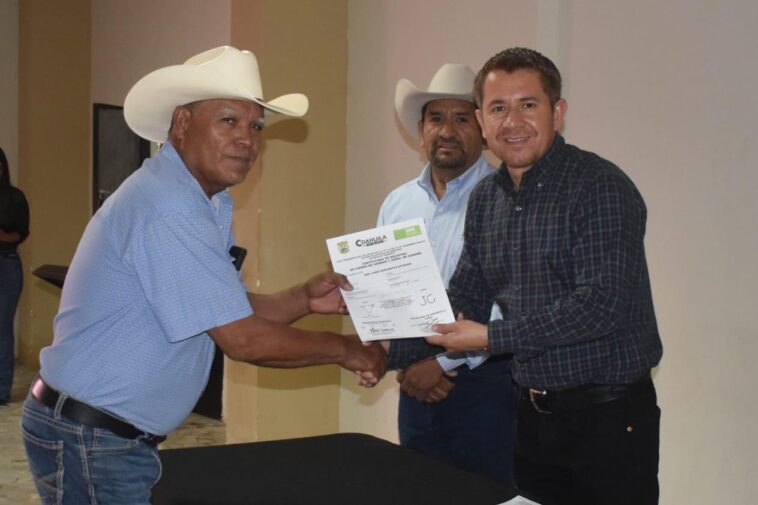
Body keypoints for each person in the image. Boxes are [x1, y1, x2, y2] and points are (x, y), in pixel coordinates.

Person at [20, 46, 387, 504]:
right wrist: (347, 349)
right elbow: (242, 339)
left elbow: (222, 308)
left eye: (256, 126)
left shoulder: (200, 200)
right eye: (229, 121)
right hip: (92, 439)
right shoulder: (168, 205)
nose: (247, 140)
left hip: (101, 436)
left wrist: (304, 299)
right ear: (182, 123)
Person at [422, 47, 663, 505]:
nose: (512, 121)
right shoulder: (486, 199)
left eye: (527, 105)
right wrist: (383, 321)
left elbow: (600, 305)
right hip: (531, 418)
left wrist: (491, 337)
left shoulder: (600, 186)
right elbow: (465, 293)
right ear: (482, 120)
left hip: (609, 420)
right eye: (498, 108)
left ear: (557, 112)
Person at [380, 64, 517, 485]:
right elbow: (387, 292)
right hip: (413, 383)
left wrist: (441, 362)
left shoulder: (508, 199)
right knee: (418, 490)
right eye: (436, 118)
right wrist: (390, 356)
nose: (447, 131)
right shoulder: (398, 204)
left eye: (462, 119)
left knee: (485, 492)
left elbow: (510, 301)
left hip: (486, 385)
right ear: (421, 131)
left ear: (482, 130)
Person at [0, 147, 29, 405]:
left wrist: (3, 235)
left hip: (6, 263)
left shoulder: (15, 197)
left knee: (2, 327)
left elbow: (21, 233)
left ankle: (2, 390)